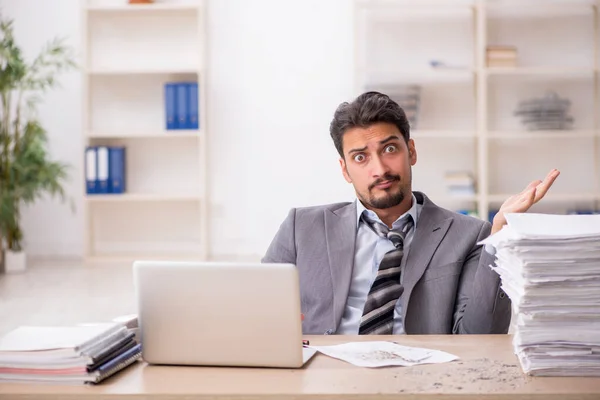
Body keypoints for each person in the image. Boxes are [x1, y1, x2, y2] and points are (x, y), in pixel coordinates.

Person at [262, 91, 560, 335]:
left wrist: (499, 237)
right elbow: (257, 315)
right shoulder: (301, 228)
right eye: (360, 157)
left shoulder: (471, 235)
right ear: (345, 170)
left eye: (390, 149)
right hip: (324, 377)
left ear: (411, 151)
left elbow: (480, 335)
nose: (379, 169)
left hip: (421, 378)